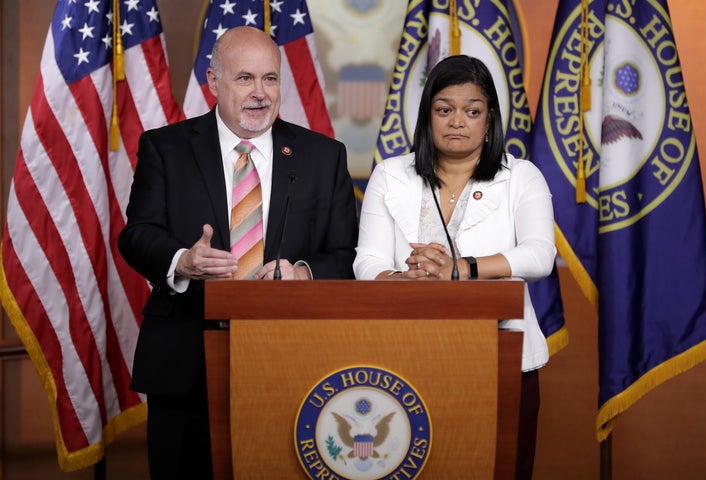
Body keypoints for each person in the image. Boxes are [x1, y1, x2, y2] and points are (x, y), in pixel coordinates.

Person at [118, 26, 358, 479]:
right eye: (244, 78)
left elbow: (348, 253)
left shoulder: (323, 156)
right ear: (213, 81)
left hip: (292, 362)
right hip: (185, 360)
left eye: (270, 79)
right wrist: (181, 261)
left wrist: (304, 272)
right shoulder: (166, 148)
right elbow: (137, 234)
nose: (259, 93)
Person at [353, 55, 555, 479]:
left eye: (472, 110)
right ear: (428, 116)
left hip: (503, 356)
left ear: (490, 118)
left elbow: (540, 255)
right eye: (444, 109)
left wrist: (460, 270)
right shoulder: (391, 175)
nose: (457, 121)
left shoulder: (521, 176)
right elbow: (366, 262)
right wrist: (403, 279)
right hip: (404, 354)